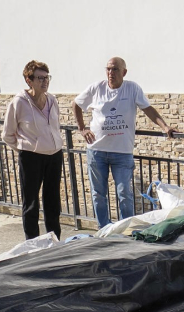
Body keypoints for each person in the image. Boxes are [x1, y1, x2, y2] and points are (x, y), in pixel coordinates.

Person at [72, 57, 178, 228]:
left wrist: (165, 127)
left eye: (114, 69)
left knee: (124, 193)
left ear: (124, 72)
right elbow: (76, 104)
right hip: (97, 151)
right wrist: (82, 128)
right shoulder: (96, 88)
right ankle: (104, 228)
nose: (110, 73)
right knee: (98, 194)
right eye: (108, 69)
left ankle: (126, 229)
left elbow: (148, 109)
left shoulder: (132, 88)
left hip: (122, 152)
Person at [2, 60, 63, 240]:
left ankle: (54, 240)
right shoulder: (19, 102)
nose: (45, 82)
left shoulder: (52, 100)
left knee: (53, 201)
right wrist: (25, 148)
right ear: (29, 80)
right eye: (40, 78)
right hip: (31, 157)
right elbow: (7, 134)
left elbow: (55, 126)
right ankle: (33, 243)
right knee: (31, 203)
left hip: (54, 155)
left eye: (47, 77)